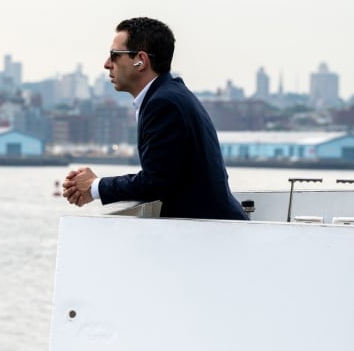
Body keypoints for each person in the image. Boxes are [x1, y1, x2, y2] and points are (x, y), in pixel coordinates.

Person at [62, 17, 247, 220]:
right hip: (212, 228)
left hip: (212, 235)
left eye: (114, 55)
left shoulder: (164, 104)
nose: (107, 64)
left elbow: (156, 183)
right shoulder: (170, 95)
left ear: (141, 60)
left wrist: (95, 187)